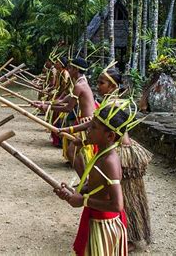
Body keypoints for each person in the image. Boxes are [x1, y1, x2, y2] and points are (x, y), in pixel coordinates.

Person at [62, 67, 153, 249]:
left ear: (113, 86)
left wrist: (83, 199)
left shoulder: (117, 105)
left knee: (124, 194)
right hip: (111, 148)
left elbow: (102, 128)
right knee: (106, 187)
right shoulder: (106, 104)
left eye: (102, 82)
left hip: (123, 150)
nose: (98, 85)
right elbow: (94, 123)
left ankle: (129, 234)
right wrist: (72, 132)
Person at [54, 99, 135, 256]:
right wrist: (73, 192)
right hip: (95, 219)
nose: (88, 130)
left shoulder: (109, 161)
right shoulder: (101, 154)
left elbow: (117, 205)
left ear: (110, 136)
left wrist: (83, 200)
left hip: (104, 224)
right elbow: (95, 185)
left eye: (93, 128)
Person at [35, 58, 96, 173]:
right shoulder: (81, 81)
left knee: (72, 151)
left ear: (76, 69)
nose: (68, 69)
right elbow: (66, 99)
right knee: (73, 151)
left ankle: (85, 182)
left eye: (71, 68)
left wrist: (47, 107)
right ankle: (85, 180)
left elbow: (68, 108)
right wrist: (45, 103)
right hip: (85, 120)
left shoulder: (79, 85)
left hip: (87, 121)